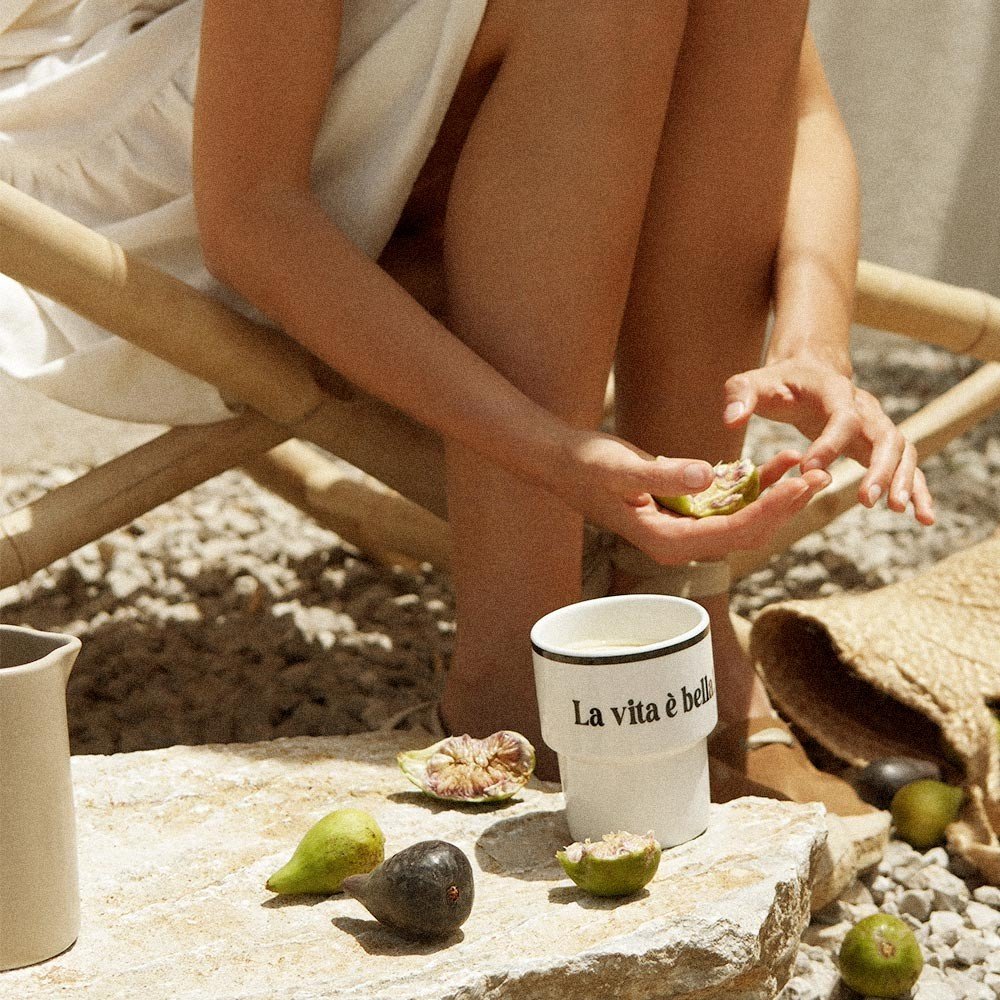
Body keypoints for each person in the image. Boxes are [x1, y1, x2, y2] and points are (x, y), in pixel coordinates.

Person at [1, 1, 934, 801]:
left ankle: (679, 606)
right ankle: (516, 675)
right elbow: (251, 212)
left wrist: (816, 341)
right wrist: (547, 451)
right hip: (130, 160)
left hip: (408, 108)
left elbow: (792, 100)